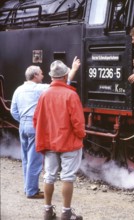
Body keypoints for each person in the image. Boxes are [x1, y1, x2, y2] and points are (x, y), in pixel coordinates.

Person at [10, 58, 80, 199]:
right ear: (35, 76)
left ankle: (27, 187)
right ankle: (31, 191)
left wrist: (23, 121)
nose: (43, 76)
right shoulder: (40, 88)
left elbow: (13, 111)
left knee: (26, 159)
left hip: (22, 125)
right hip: (34, 125)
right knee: (35, 160)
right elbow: (61, 84)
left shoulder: (19, 89)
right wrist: (73, 69)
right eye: (41, 74)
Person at [33, 60, 86, 220]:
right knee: (68, 177)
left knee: (49, 176)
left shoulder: (44, 95)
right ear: (65, 76)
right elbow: (78, 122)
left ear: (51, 77)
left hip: (49, 143)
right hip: (68, 143)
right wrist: (81, 134)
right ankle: (66, 213)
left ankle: (47, 211)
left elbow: (36, 120)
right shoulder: (71, 95)